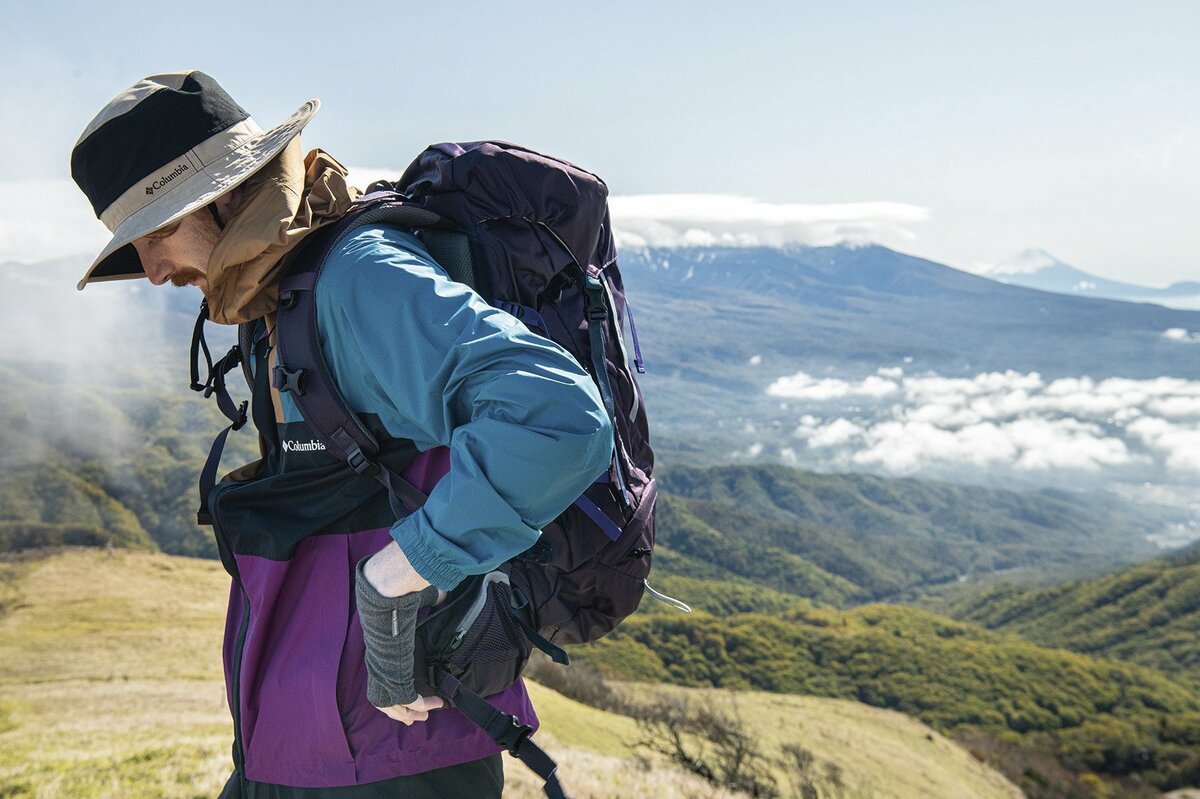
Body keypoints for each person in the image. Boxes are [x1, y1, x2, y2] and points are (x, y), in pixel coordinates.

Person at [69, 71, 613, 798]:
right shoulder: (279, 290)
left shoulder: (357, 278)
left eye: (158, 230)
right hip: (300, 741)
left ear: (227, 192)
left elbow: (556, 416)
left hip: (395, 747)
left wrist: (397, 575)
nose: (155, 270)